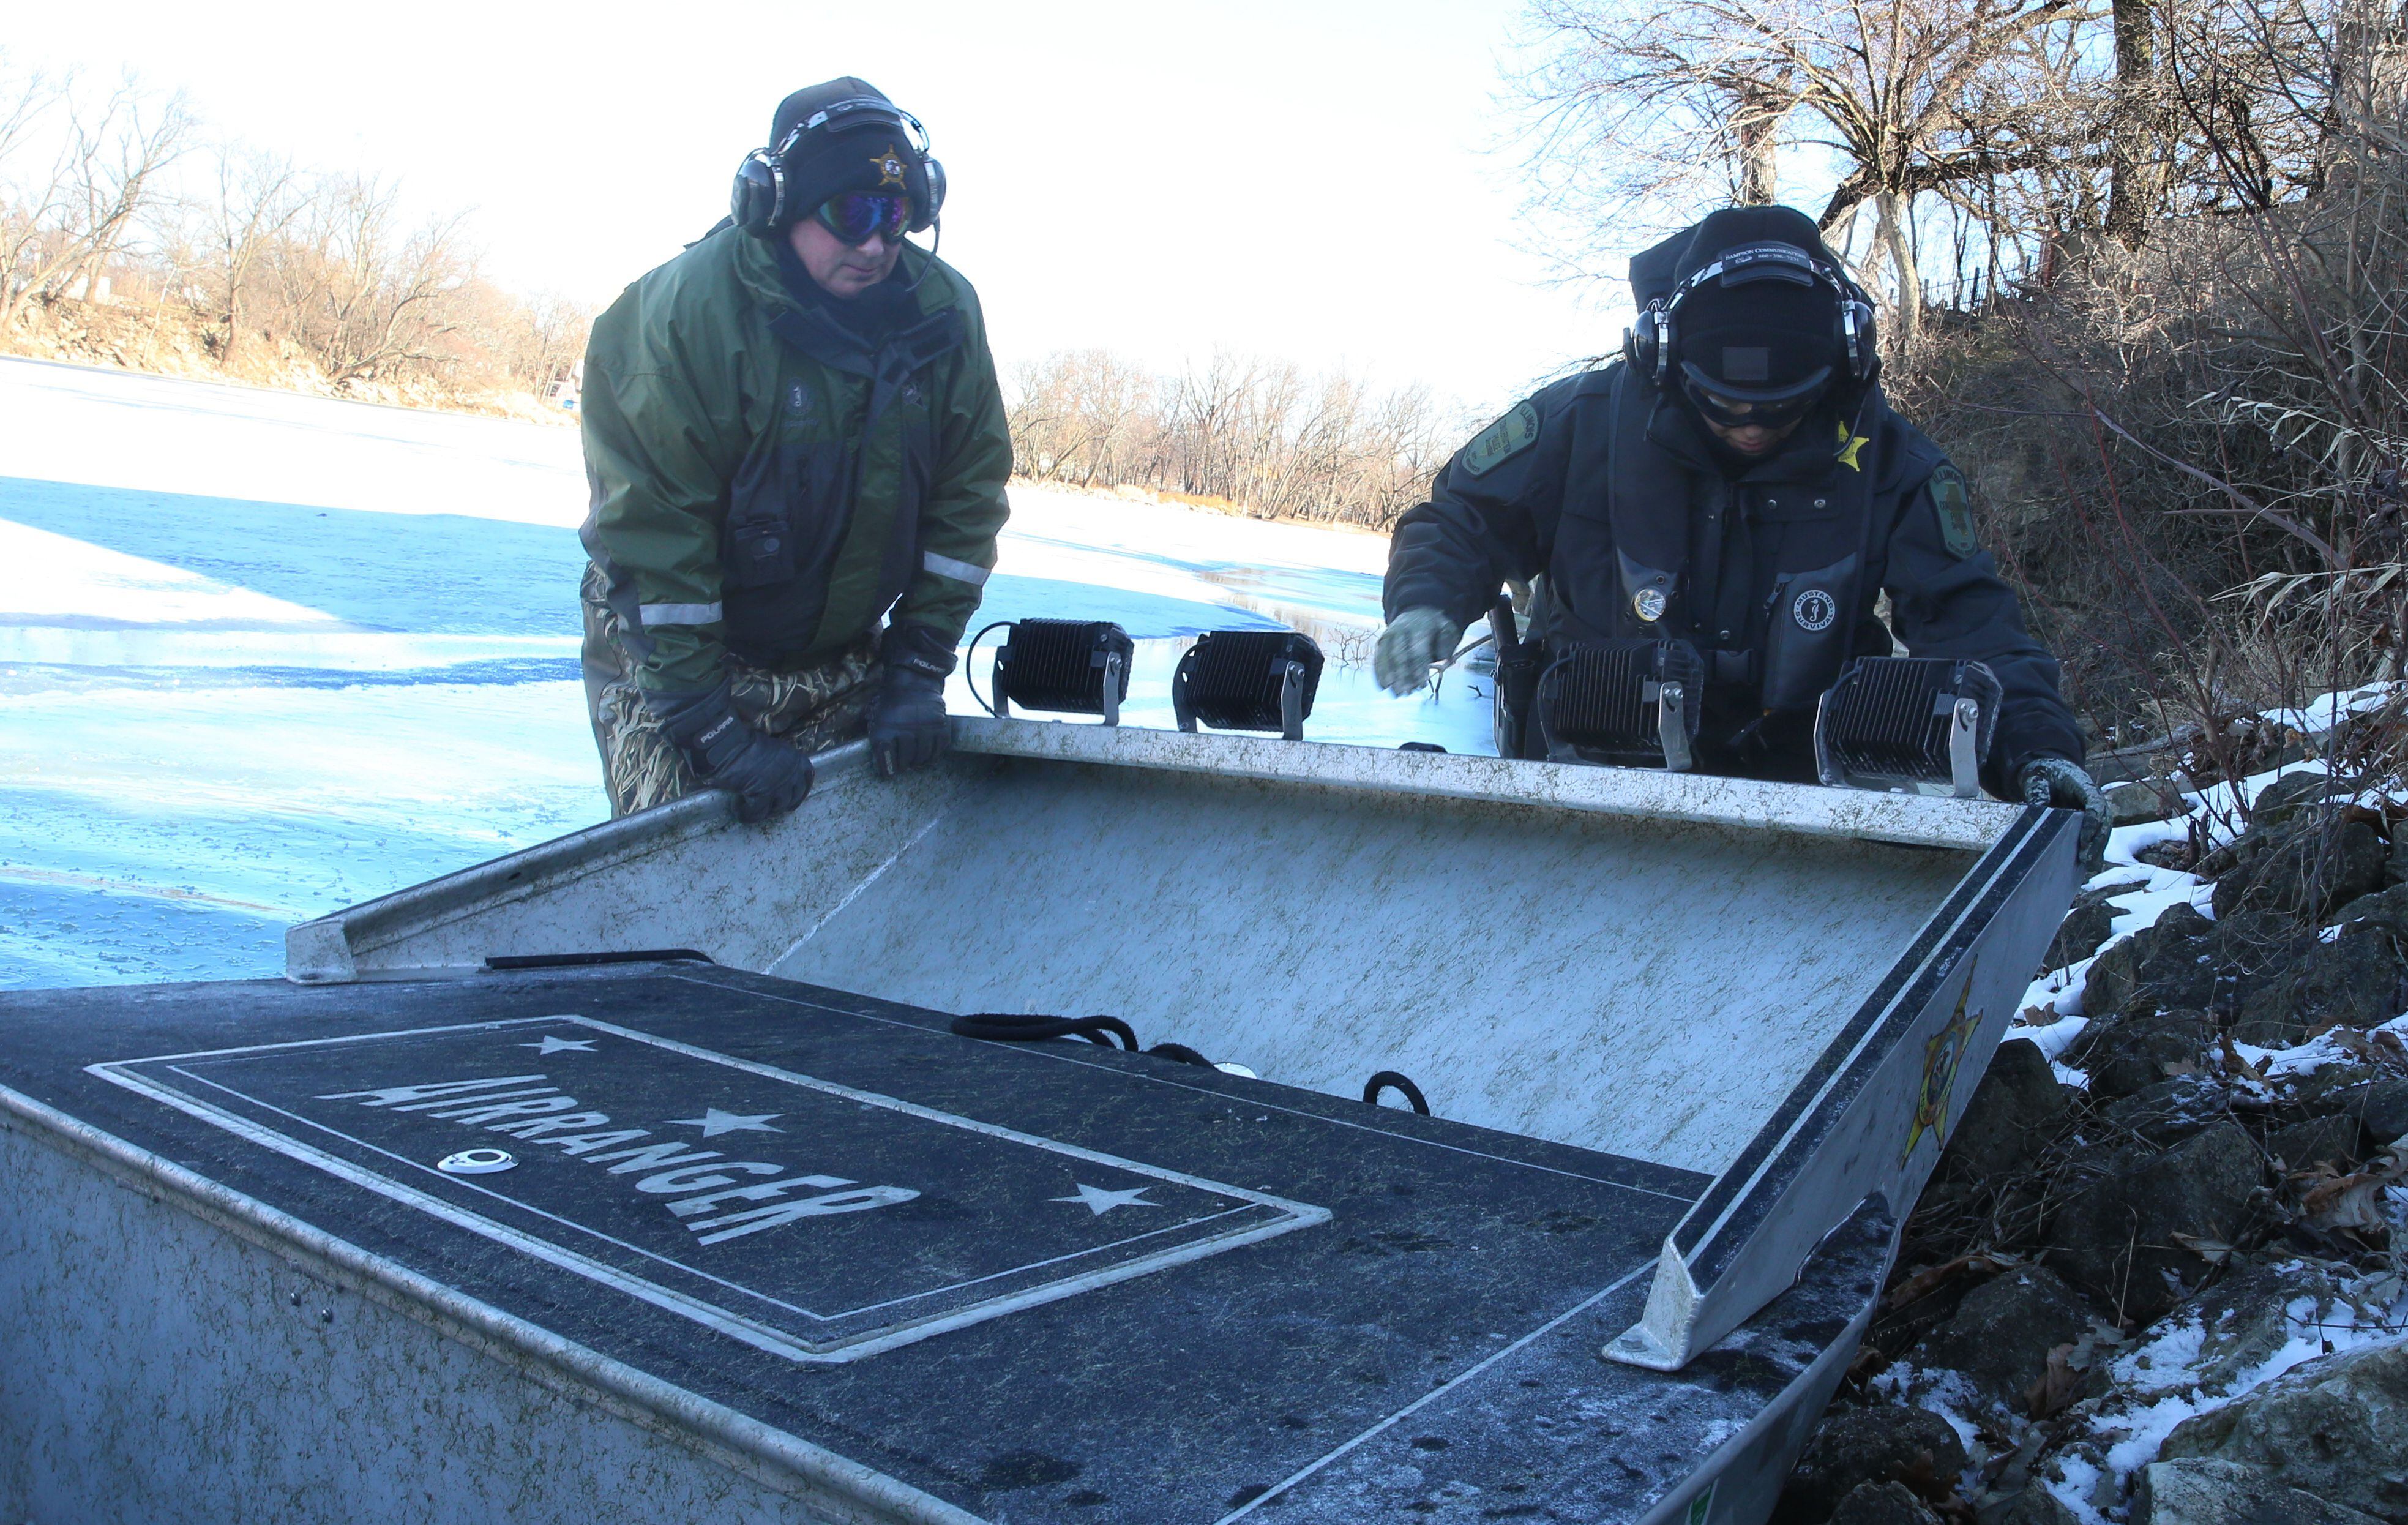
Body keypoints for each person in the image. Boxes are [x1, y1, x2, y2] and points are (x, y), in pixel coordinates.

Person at [1375, 205, 2113, 864]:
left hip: (1796, 818)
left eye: (1779, 411)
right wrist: (1423, 603)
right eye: (1725, 408)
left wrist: (2039, 751)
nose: (1751, 428)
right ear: (1663, 358)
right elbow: (1459, 518)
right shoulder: (1582, 422)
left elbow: (1972, 622)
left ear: (1840, 367)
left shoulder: (1895, 463)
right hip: (1580, 784)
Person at [577, 77, 1011, 820]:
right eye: (850, 214)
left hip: (842, 647)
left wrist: (915, 671)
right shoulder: (681, 318)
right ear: (775, 208)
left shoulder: (945, 313)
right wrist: (712, 733)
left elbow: (965, 507)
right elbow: (658, 543)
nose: (876, 244)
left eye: (896, 214)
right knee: (688, 864)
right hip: (673, 654)